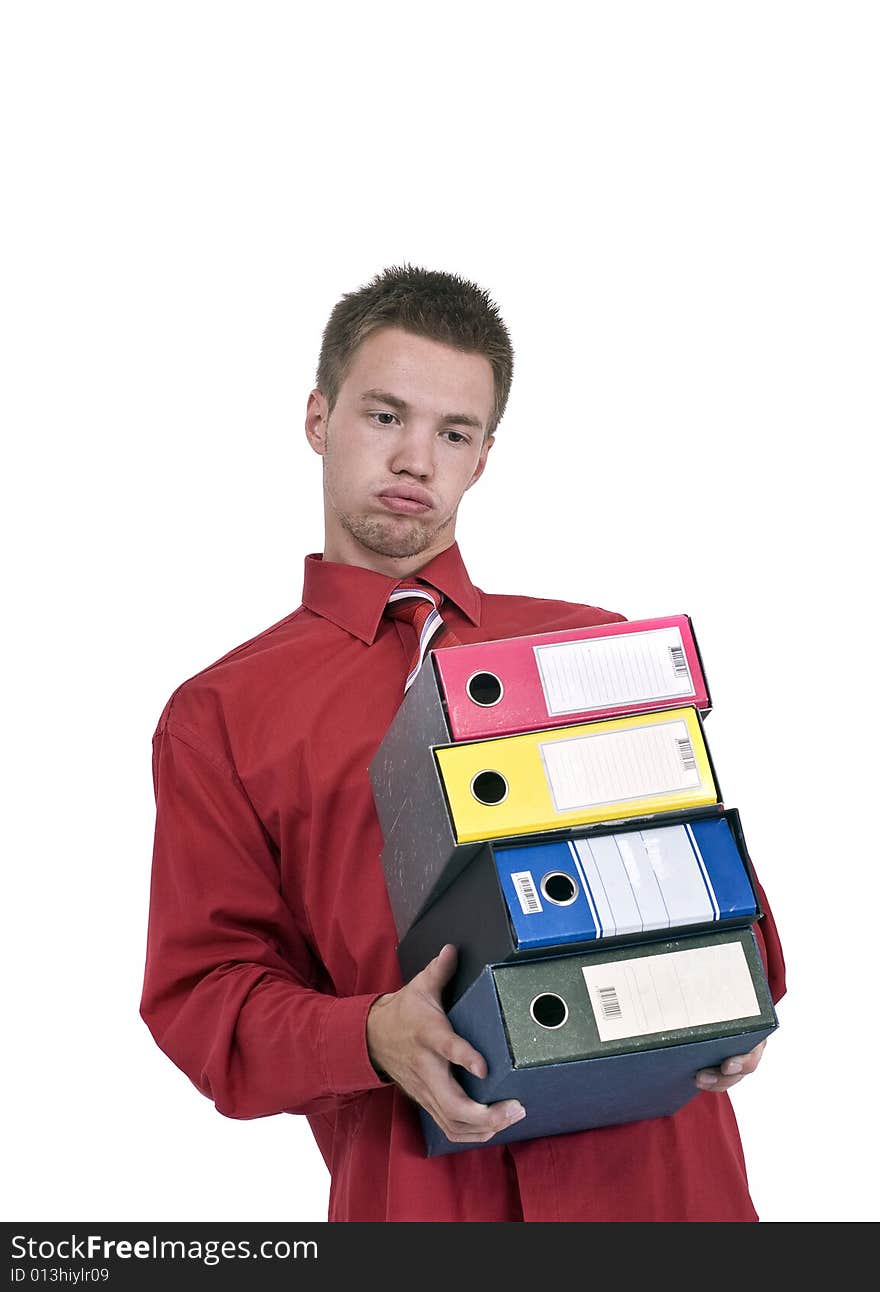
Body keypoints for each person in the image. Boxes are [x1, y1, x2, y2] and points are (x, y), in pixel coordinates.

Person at [140, 264, 786, 1222]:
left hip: (666, 1185)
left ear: (482, 458)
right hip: (422, 1192)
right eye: (384, 416)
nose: (416, 460)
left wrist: (733, 985)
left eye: (453, 433)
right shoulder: (221, 714)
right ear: (318, 420)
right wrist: (368, 1034)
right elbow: (205, 1002)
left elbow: (726, 902)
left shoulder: (590, 650)